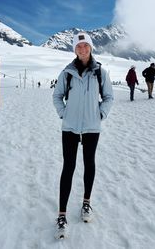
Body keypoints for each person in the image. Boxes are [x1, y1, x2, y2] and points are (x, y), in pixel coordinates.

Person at [53, 32, 114, 239]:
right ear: (74, 50)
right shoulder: (67, 73)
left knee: (90, 163)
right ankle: (62, 215)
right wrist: (64, 113)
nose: (82, 49)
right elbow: (57, 96)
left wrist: (101, 114)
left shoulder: (100, 73)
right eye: (78, 46)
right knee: (68, 167)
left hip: (91, 128)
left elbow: (108, 97)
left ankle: (86, 203)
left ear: (90, 48)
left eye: (85, 45)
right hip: (69, 128)